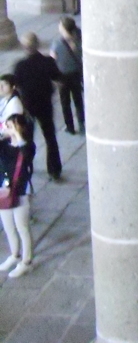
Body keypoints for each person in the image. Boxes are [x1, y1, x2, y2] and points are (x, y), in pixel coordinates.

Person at [13, 32, 63, 181]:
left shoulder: (20, 66)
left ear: (24, 47)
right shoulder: (47, 62)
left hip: (28, 106)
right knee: (50, 137)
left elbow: (17, 86)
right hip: (45, 104)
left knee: (27, 138)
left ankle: (27, 167)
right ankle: (54, 169)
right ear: (38, 44)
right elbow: (58, 77)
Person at [0, 113, 36, 278]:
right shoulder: (3, 144)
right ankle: (15, 255)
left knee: (22, 227)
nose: (6, 128)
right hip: (4, 191)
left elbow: (26, 156)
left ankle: (26, 261)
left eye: (10, 125)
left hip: (20, 191)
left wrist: (16, 134)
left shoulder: (27, 146)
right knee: (8, 226)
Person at [50, 16, 85, 135]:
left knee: (65, 103)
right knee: (78, 99)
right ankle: (82, 122)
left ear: (64, 29)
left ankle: (69, 126)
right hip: (76, 74)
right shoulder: (79, 40)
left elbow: (52, 59)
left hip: (62, 77)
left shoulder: (57, 43)